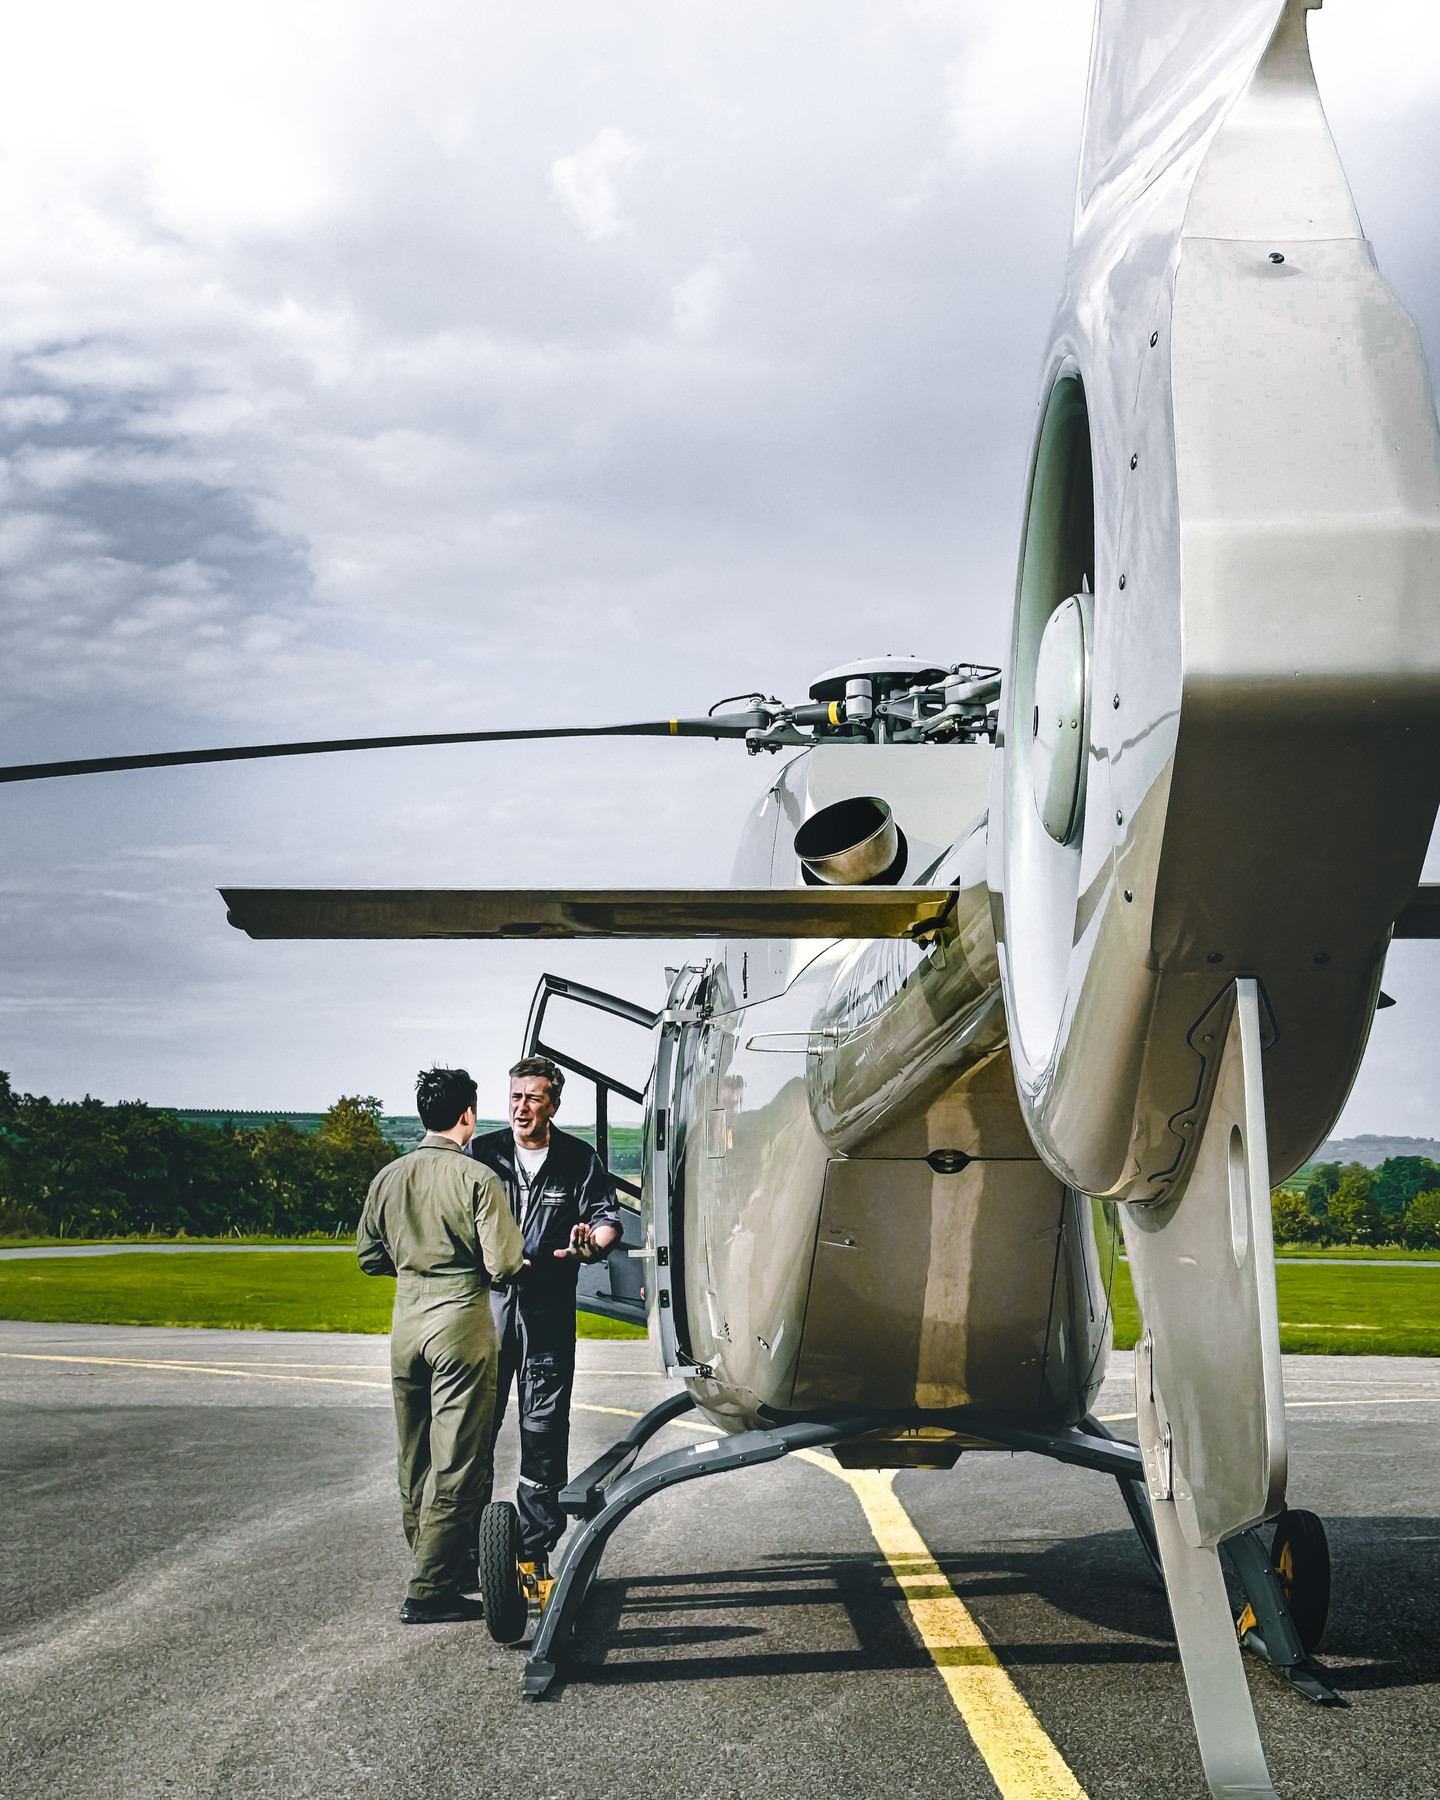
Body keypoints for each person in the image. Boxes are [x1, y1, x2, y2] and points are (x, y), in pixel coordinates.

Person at [357, 1065, 525, 1624]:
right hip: (461, 1322)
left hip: (406, 1321)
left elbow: (368, 1257)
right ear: (467, 1116)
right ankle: (428, 1590)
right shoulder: (478, 1178)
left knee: (416, 1457)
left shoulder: (388, 1177)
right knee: (459, 1462)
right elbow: (504, 1262)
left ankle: (437, 1569)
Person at [468, 1055, 622, 1586]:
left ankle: (533, 1554)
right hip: (487, 1309)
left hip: (548, 1310)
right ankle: (472, 1552)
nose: (521, 1107)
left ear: (554, 1103)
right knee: (475, 1430)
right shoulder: (481, 1153)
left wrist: (592, 1245)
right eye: (515, 1096)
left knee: (543, 1430)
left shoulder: (578, 1159)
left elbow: (605, 1219)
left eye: (533, 1097)